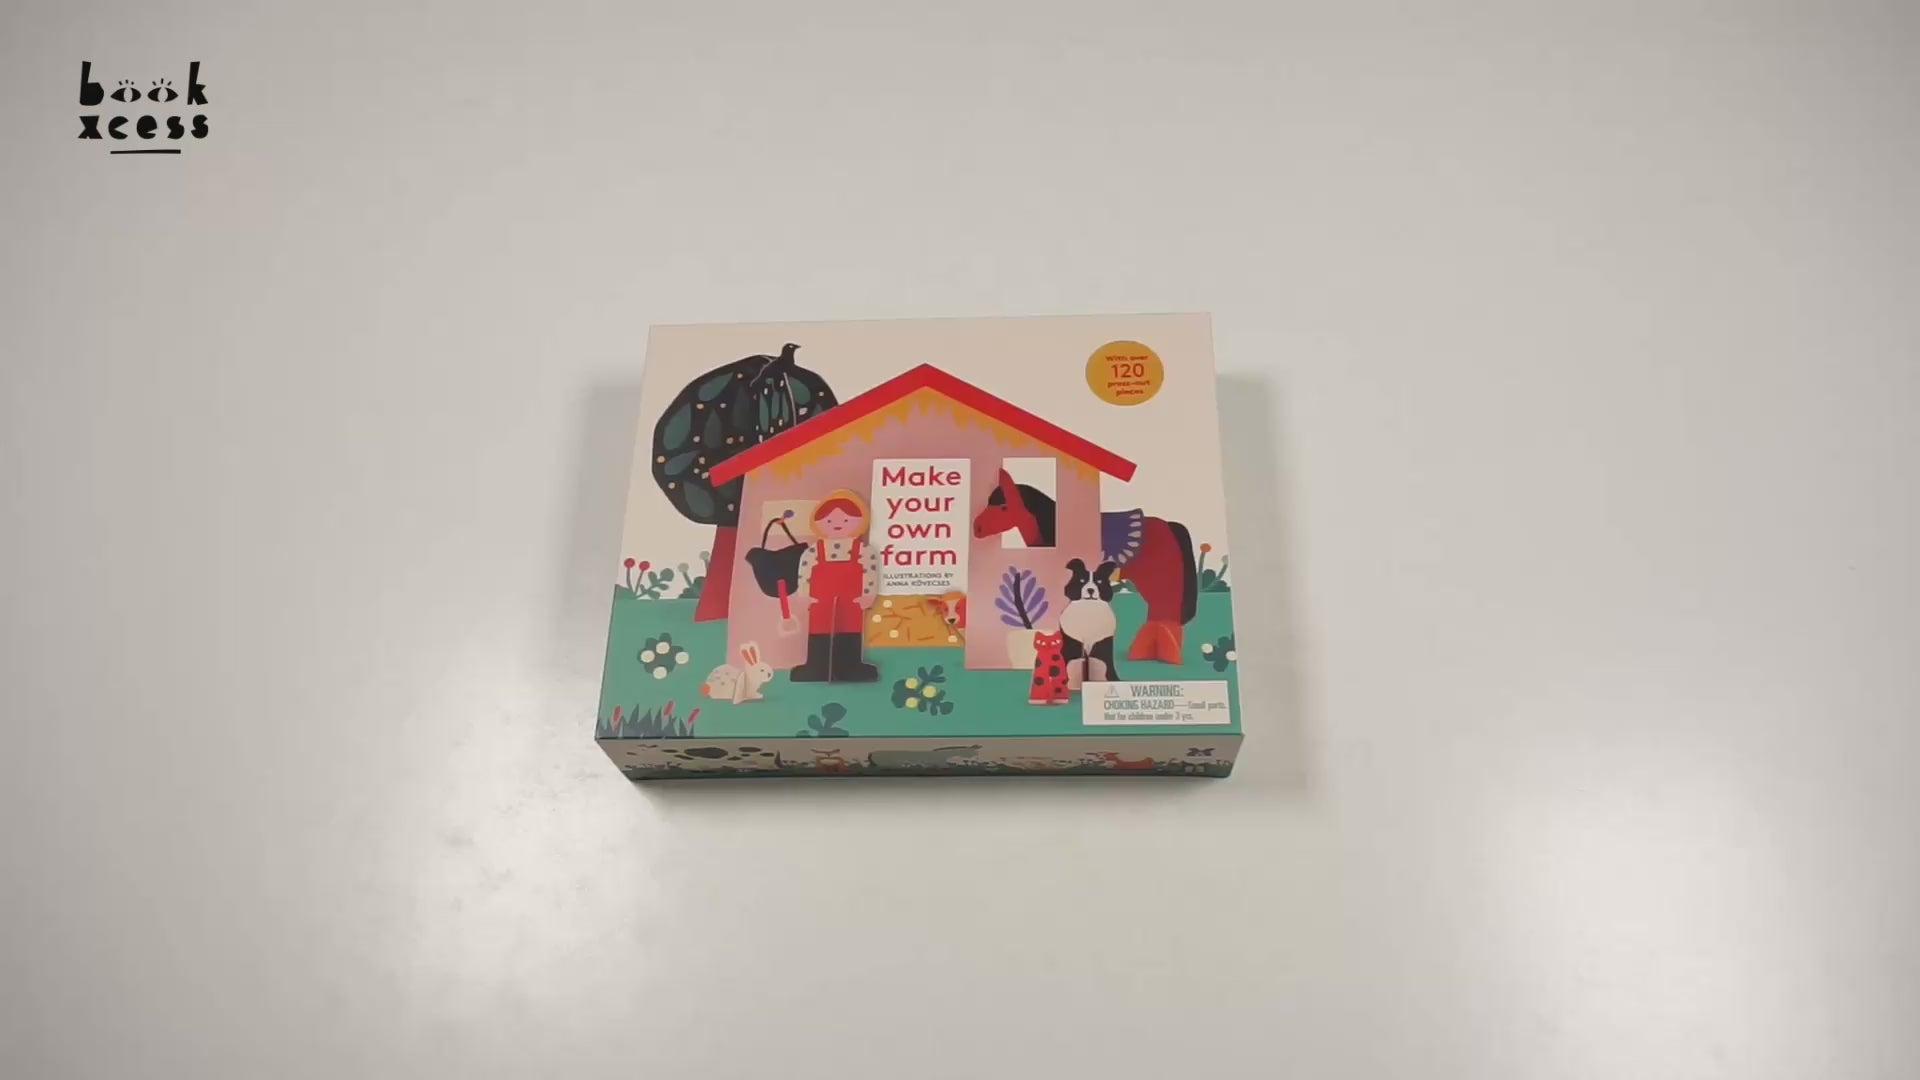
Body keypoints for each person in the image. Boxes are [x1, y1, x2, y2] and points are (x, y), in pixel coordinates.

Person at [789, 490, 881, 682]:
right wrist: (804, 595)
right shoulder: (813, 552)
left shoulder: (864, 551)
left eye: (846, 520)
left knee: (851, 630)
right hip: (820, 600)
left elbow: (870, 572)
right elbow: (804, 573)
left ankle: (851, 667)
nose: (837, 524)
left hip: (852, 600)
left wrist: (868, 594)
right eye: (829, 521)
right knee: (818, 630)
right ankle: (816, 666)